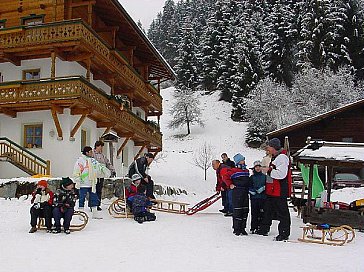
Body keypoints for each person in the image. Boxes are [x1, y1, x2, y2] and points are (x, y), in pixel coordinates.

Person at [258, 138, 292, 241]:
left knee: (282, 212)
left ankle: (284, 233)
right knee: (268, 210)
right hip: (272, 190)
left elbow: (281, 174)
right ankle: (264, 229)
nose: (267, 149)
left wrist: (268, 171)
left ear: (273, 147)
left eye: (268, 147)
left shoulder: (282, 157)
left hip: (279, 190)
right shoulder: (275, 157)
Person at [73, 146, 110, 219]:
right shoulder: (80, 161)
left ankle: (95, 214)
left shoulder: (93, 161)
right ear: (86, 152)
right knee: (82, 199)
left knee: (94, 198)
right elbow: (76, 170)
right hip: (83, 184)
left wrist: (105, 171)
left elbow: (99, 167)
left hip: (92, 183)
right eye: (90, 152)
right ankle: (81, 214)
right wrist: (78, 179)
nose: (92, 153)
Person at [220, 153, 251, 236]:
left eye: (243, 160)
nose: (243, 161)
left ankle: (243, 228)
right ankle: (236, 228)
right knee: (237, 210)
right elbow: (225, 177)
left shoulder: (246, 171)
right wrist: (230, 184)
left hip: (245, 193)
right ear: (238, 162)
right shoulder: (233, 170)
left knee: (245, 210)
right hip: (237, 193)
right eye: (241, 160)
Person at [93, 140, 116, 211]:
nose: (101, 149)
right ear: (97, 146)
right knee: (94, 190)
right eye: (100, 147)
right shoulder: (92, 154)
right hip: (94, 176)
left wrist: (112, 170)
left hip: (101, 176)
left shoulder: (103, 156)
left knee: (99, 190)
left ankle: (98, 204)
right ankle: (93, 204)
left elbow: (108, 163)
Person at [249, 160, 267, 234]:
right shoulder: (252, 177)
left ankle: (261, 227)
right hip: (254, 198)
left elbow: (269, 185)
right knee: (254, 213)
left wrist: (263, 188)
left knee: (262, 213)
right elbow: (249, 186)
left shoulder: (265, 177)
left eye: (259, 167)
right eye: (256, 167)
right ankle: (254, 227)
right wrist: (252, 191)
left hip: (263, 198)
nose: (258, 168)